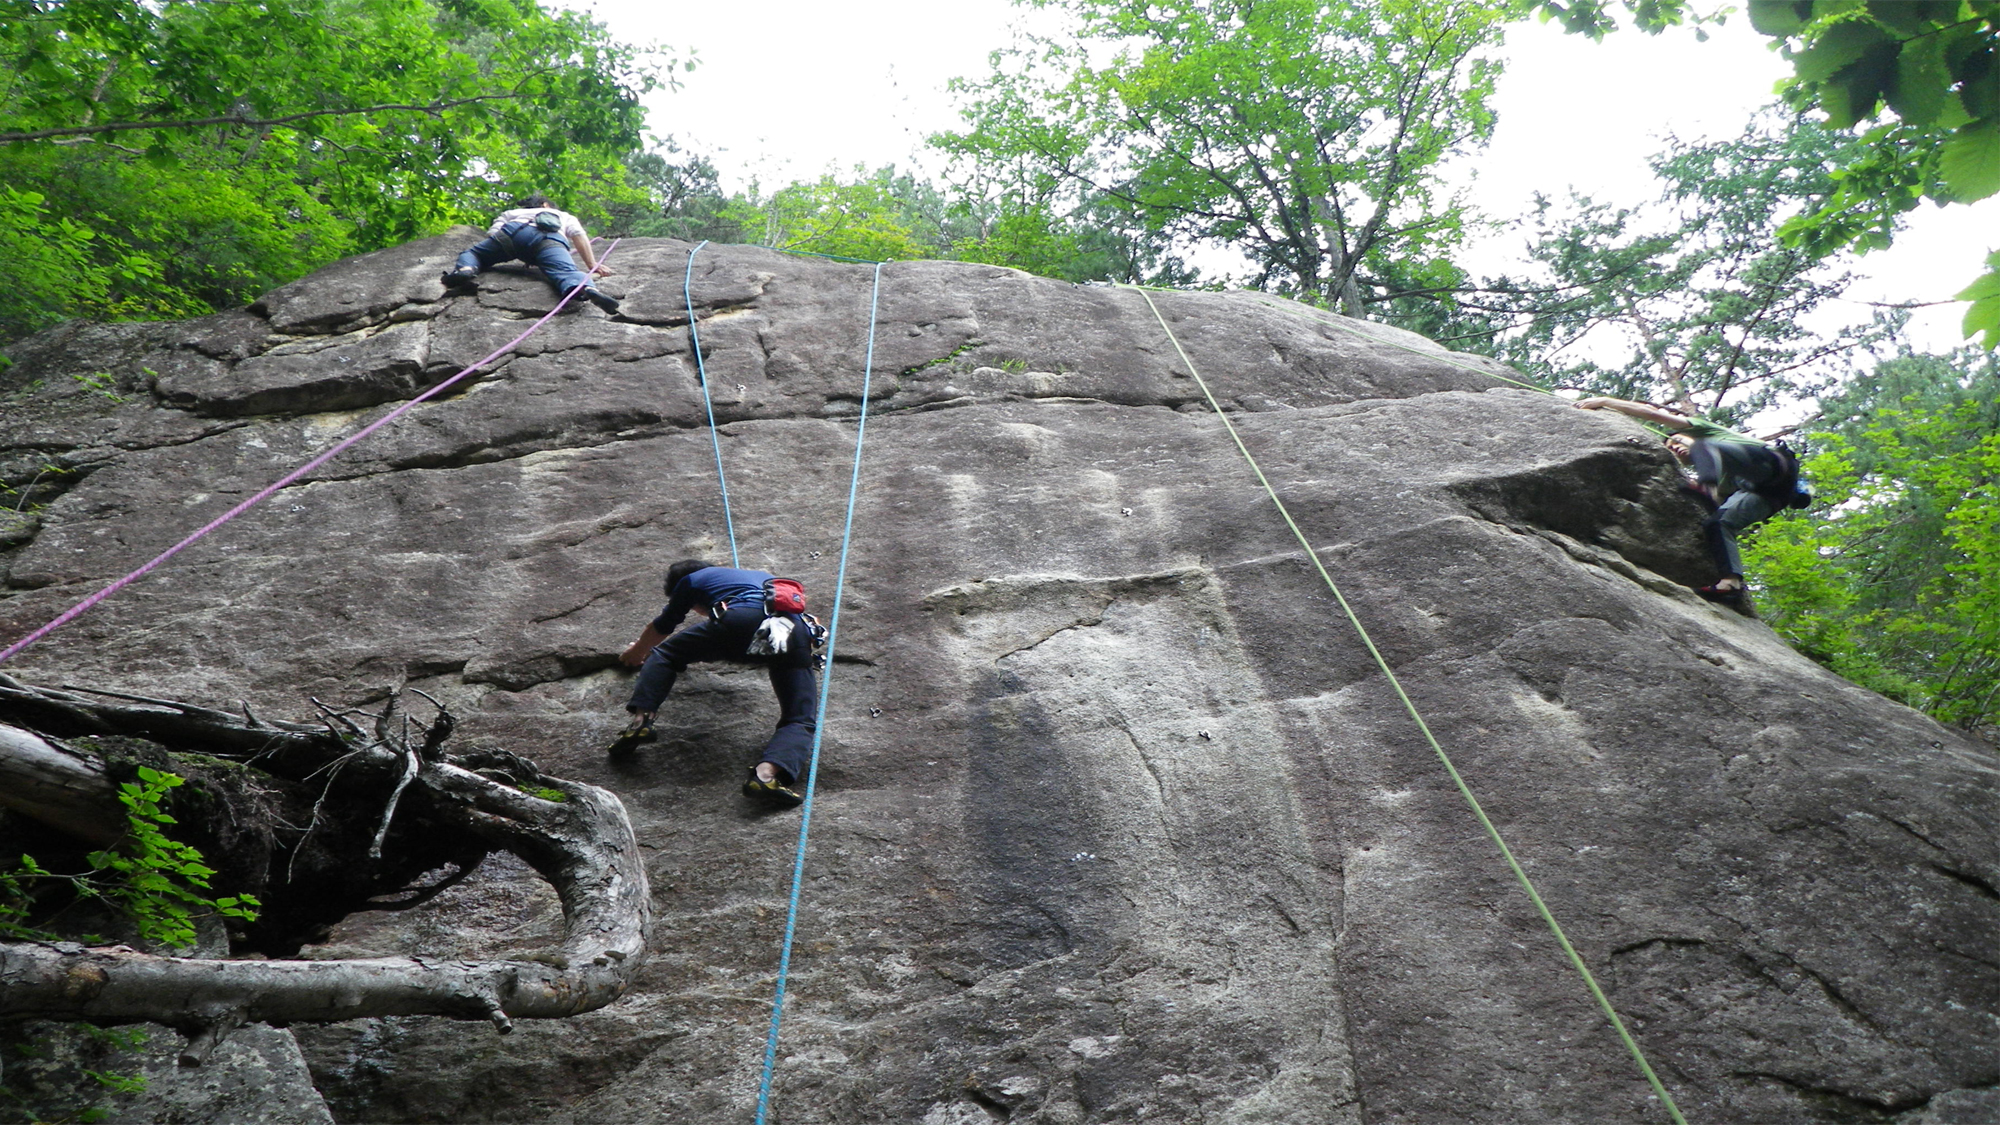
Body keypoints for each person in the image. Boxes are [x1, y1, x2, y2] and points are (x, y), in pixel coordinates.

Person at [611, 560, 820, 809]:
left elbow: (665, 624)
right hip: (795, 632)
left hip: (742, 620)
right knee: (800, 717)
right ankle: (766, 776)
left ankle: (640, 722)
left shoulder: (692, 579)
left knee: (665, 654)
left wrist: (637, 652)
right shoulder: (762, 576)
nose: (699, 613)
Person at [1575, 396, 1810, 604]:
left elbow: (1653, 413)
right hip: (1770, 493)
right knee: (1719, 523)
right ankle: (1731, 583)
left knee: (1705, 445)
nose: (1676, 448)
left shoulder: (1706, 433)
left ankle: (1705, 487)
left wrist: (1604, 401)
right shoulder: (1723, 476)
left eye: (1677, 441)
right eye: (1671, 448)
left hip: (1772, 464)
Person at [442, 193, 620, 314]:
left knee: (474, 253)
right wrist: (592, 264)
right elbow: (578, 235)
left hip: (511, 234)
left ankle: (465, 269)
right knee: (567, 272)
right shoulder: (562, 215)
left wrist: (519, 251)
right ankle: (585, 288)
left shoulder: (512, 212)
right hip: (549, 241)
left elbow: (494, 233)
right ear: (545, 205)